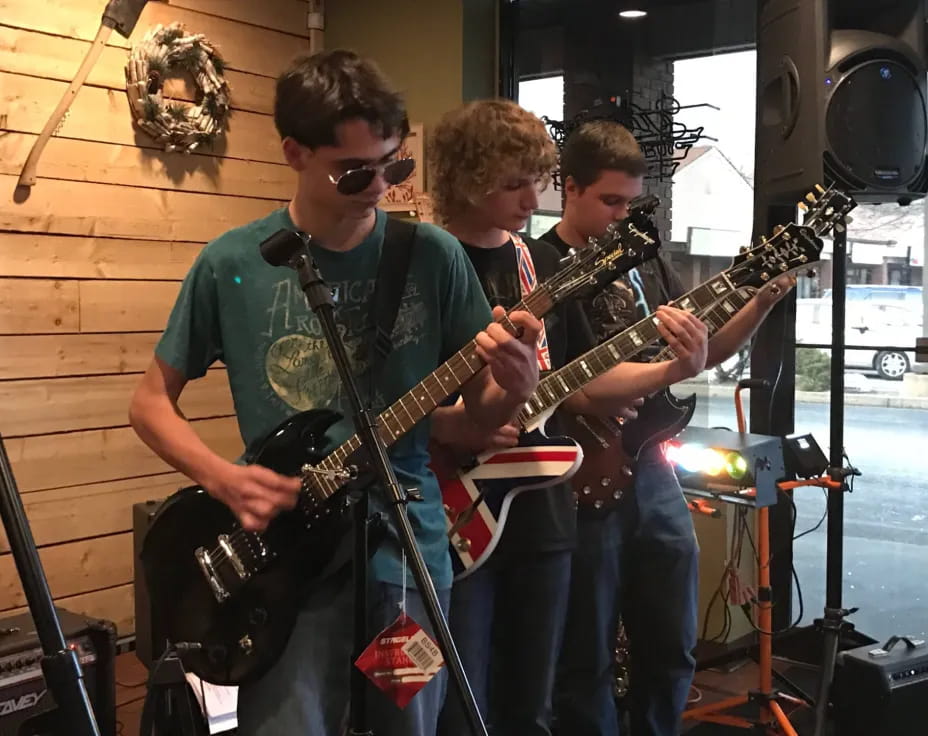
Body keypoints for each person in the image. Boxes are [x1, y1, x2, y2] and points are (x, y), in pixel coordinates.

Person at [128, 50, 547, 736]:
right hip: (287, 565)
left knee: (406, 727)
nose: (380, 184)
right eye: (357, 170)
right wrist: (226, 481)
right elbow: (149, 403)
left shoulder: (433, 256)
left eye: (396, 165)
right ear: (294, 152)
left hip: (406, 560)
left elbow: (475, 424)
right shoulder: (234, 263)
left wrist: (511, 388)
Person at [427, 100, 712, 736]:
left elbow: (564, 385)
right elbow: (390, 398)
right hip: (455, 502)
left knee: (534, 700)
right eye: (514, 183)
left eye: (540, 180)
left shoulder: (538, 265)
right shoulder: (427, 262)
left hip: (541, 499)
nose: (534, 199)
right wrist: (450, 425)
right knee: (464, 700)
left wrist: (671, 369)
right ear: (468, 180)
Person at [541, 119, 797, 736]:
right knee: (586, 654)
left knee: (672, 641)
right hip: (581, 473)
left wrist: (758, 303)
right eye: (609, 200)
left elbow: (699, 354)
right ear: (568, 187)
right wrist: (661, 374)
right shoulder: (540, 267)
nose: (622, 215)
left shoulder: (645, 260)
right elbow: (559, 389)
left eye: (631, 201)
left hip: (652, 465)